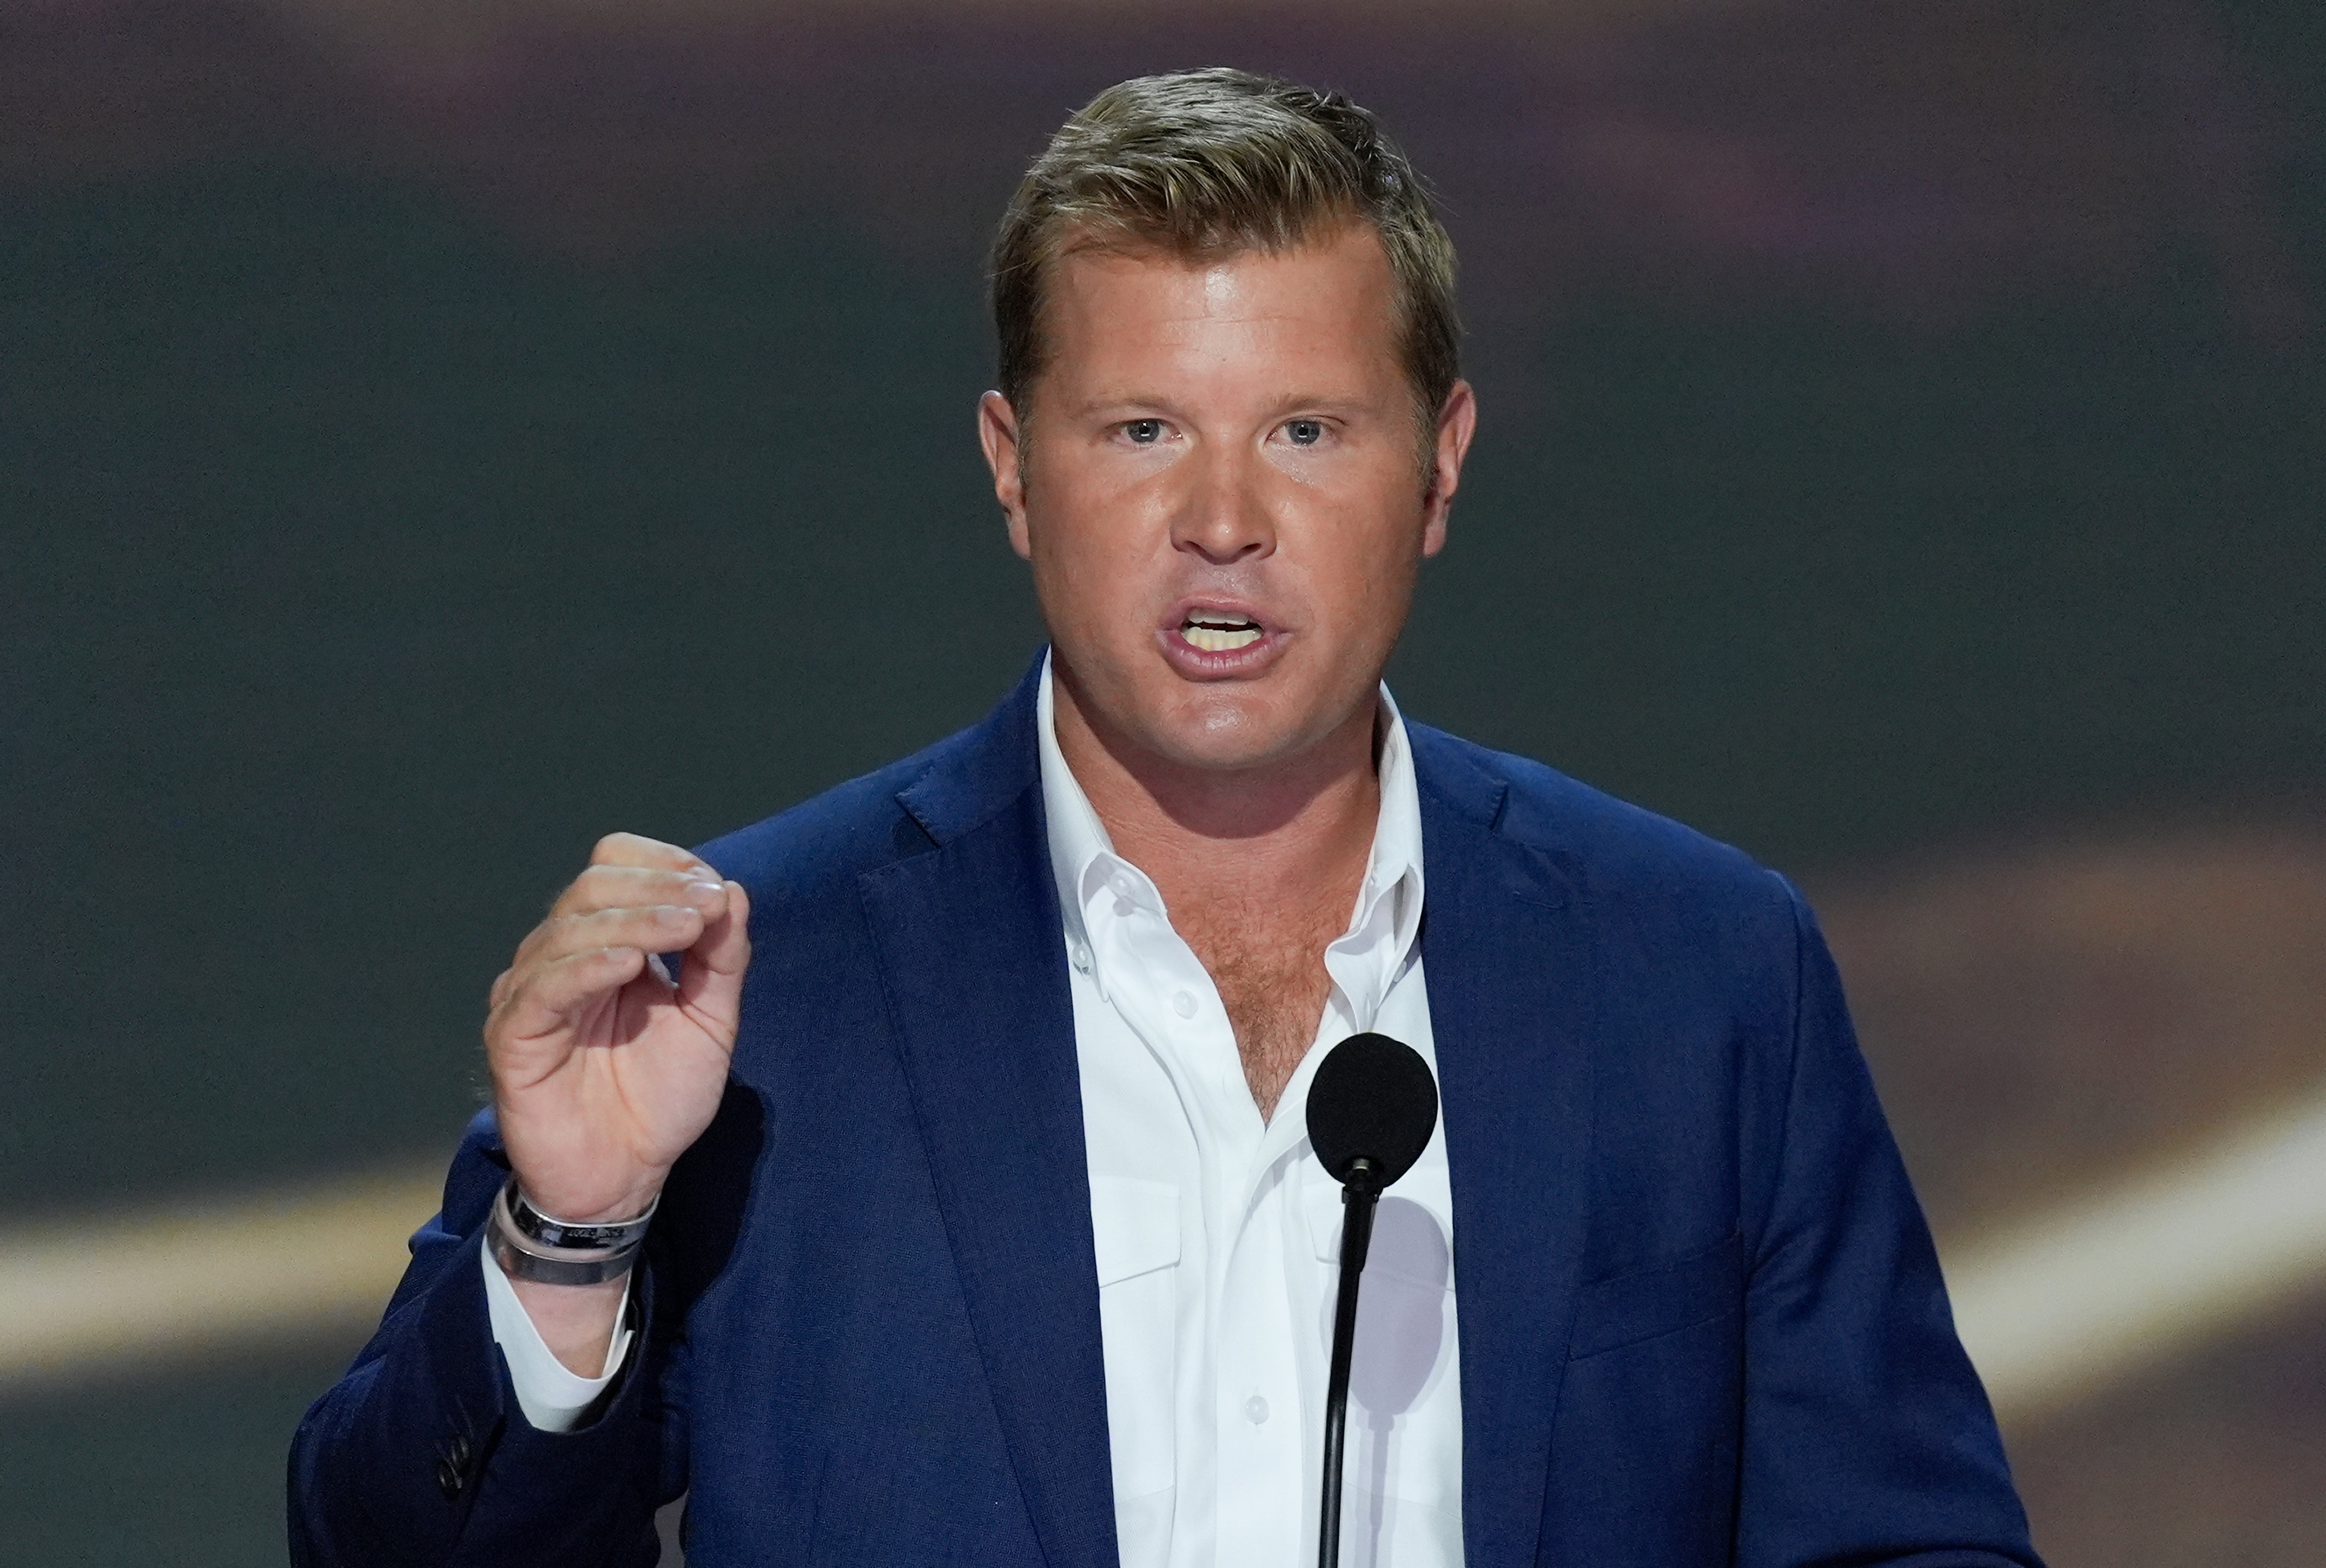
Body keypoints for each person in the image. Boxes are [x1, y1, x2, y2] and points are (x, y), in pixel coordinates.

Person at [289, 67, 2040, 1568]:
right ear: (1009, 467)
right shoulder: (751, 983)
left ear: (1438, 465)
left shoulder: (1699, 969)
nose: (1223, 518)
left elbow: (1907, 1536)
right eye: (1140, 428)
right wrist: (573, 1240)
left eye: (1305, 429)